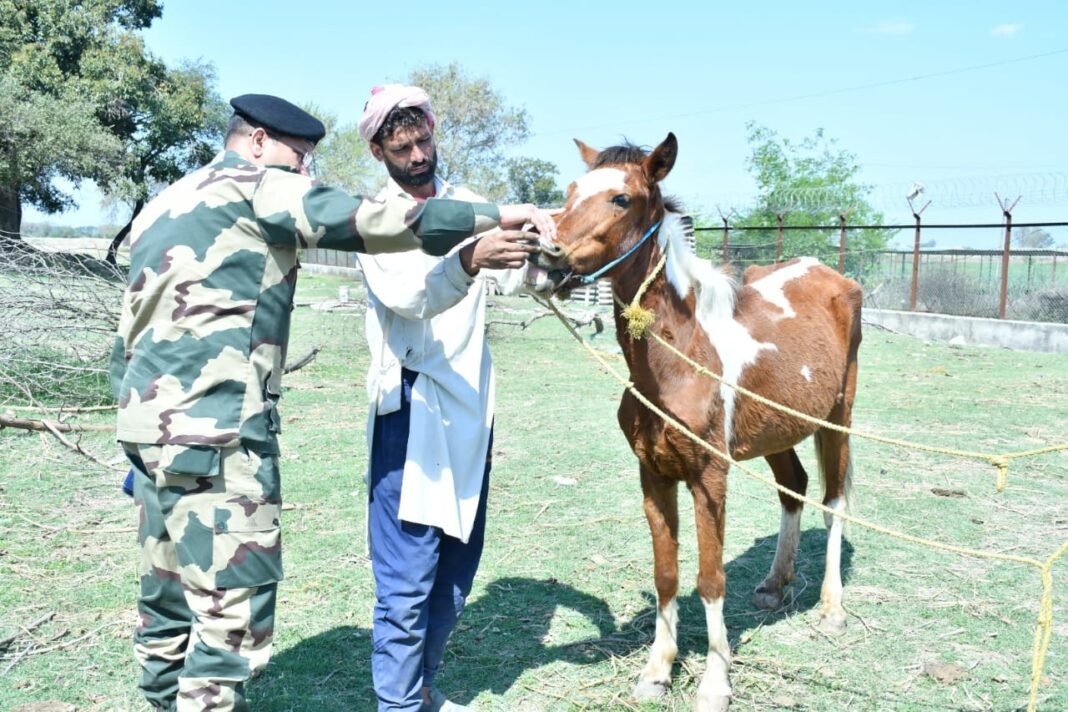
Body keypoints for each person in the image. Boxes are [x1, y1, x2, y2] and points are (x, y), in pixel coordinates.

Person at [110, 92, 555, 712]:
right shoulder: (258, 186)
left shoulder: (166, 201)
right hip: (218, 437)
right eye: (299, 157)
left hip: (148, 429)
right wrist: (502, 214)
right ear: (258, 141)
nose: (305, 171)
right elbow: (383, 225)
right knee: (229, 618)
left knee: (165, 602)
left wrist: (142, 434)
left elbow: (129, 329)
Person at [355, 84, 541, 712]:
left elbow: (514, 276)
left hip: (470, 408)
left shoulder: (467, 203)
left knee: (457, 569)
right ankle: (398, 706)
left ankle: (423, 687)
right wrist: (470, 259)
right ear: (378, 151)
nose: (417, 156)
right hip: (410, 408)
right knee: (407, 577)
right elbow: (411, 296)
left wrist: (542, 246)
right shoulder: (376, 218)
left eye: (423, 140)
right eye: (401, 147)